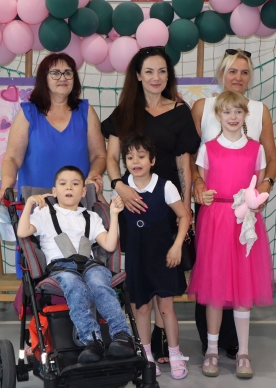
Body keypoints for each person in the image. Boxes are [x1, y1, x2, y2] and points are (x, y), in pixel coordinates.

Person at [102, 46, 200, 364]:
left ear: (168, 76)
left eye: (162, 71)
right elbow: (111, 158)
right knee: (142, 275)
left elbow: (184, 166)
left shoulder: (180, 111)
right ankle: (145, 348)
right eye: (149, 71)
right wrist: (119, 186)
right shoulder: (125, 112)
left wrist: (185, 210)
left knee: (164, 277)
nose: (156, 77)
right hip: (133, 206)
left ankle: (164, 345)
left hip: (167, 206)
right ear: (138, 75)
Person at [189, 49, 276, 359]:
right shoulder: (202, 107)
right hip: (211, 204)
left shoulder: (259, 110)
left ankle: (234, 344)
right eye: (232, 71)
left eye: (244, 72)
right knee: (212, 274)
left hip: (243, 207)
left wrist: (265, 187)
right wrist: (197, 184)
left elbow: (270, 157)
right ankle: (210, 343)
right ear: (221, 74)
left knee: (240, 274)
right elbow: (190, 155)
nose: (238, 77)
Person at [17, 166, 135, 364]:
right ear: (54, 191)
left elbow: (109, 245)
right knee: (74, 286)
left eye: (75, 184)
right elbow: (22, 232)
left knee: (99, 283)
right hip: (61, 268)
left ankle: (122, 335)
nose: (69, 187)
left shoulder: (91, 217)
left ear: (83, 192)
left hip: (90, 265)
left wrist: (114, 214)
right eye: (63, 184)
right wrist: (29, 204)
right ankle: (92, 340)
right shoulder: (43, 213)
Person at [112, 135, 191, 379]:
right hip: (137, 259)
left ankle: (175, 354)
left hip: (164, 257)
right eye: (129, 157)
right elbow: (111, 215)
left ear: (152, 160)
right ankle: (146, 357)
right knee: (142, 308)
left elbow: (184, 216)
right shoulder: (122, 188)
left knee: (166, 309)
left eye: (141, 156)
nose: (135, 162)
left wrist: (177, 246)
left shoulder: (165, 186)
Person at [0, 53, 107, 201]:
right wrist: (5, 187)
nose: (63, 78)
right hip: (36, 203)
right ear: (44, 79)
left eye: (68, 73)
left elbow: (99, 156)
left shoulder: (86, 112)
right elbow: (12, 158)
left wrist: (93, 175)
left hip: (78, 203)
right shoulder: (28, 113)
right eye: (55, 73)